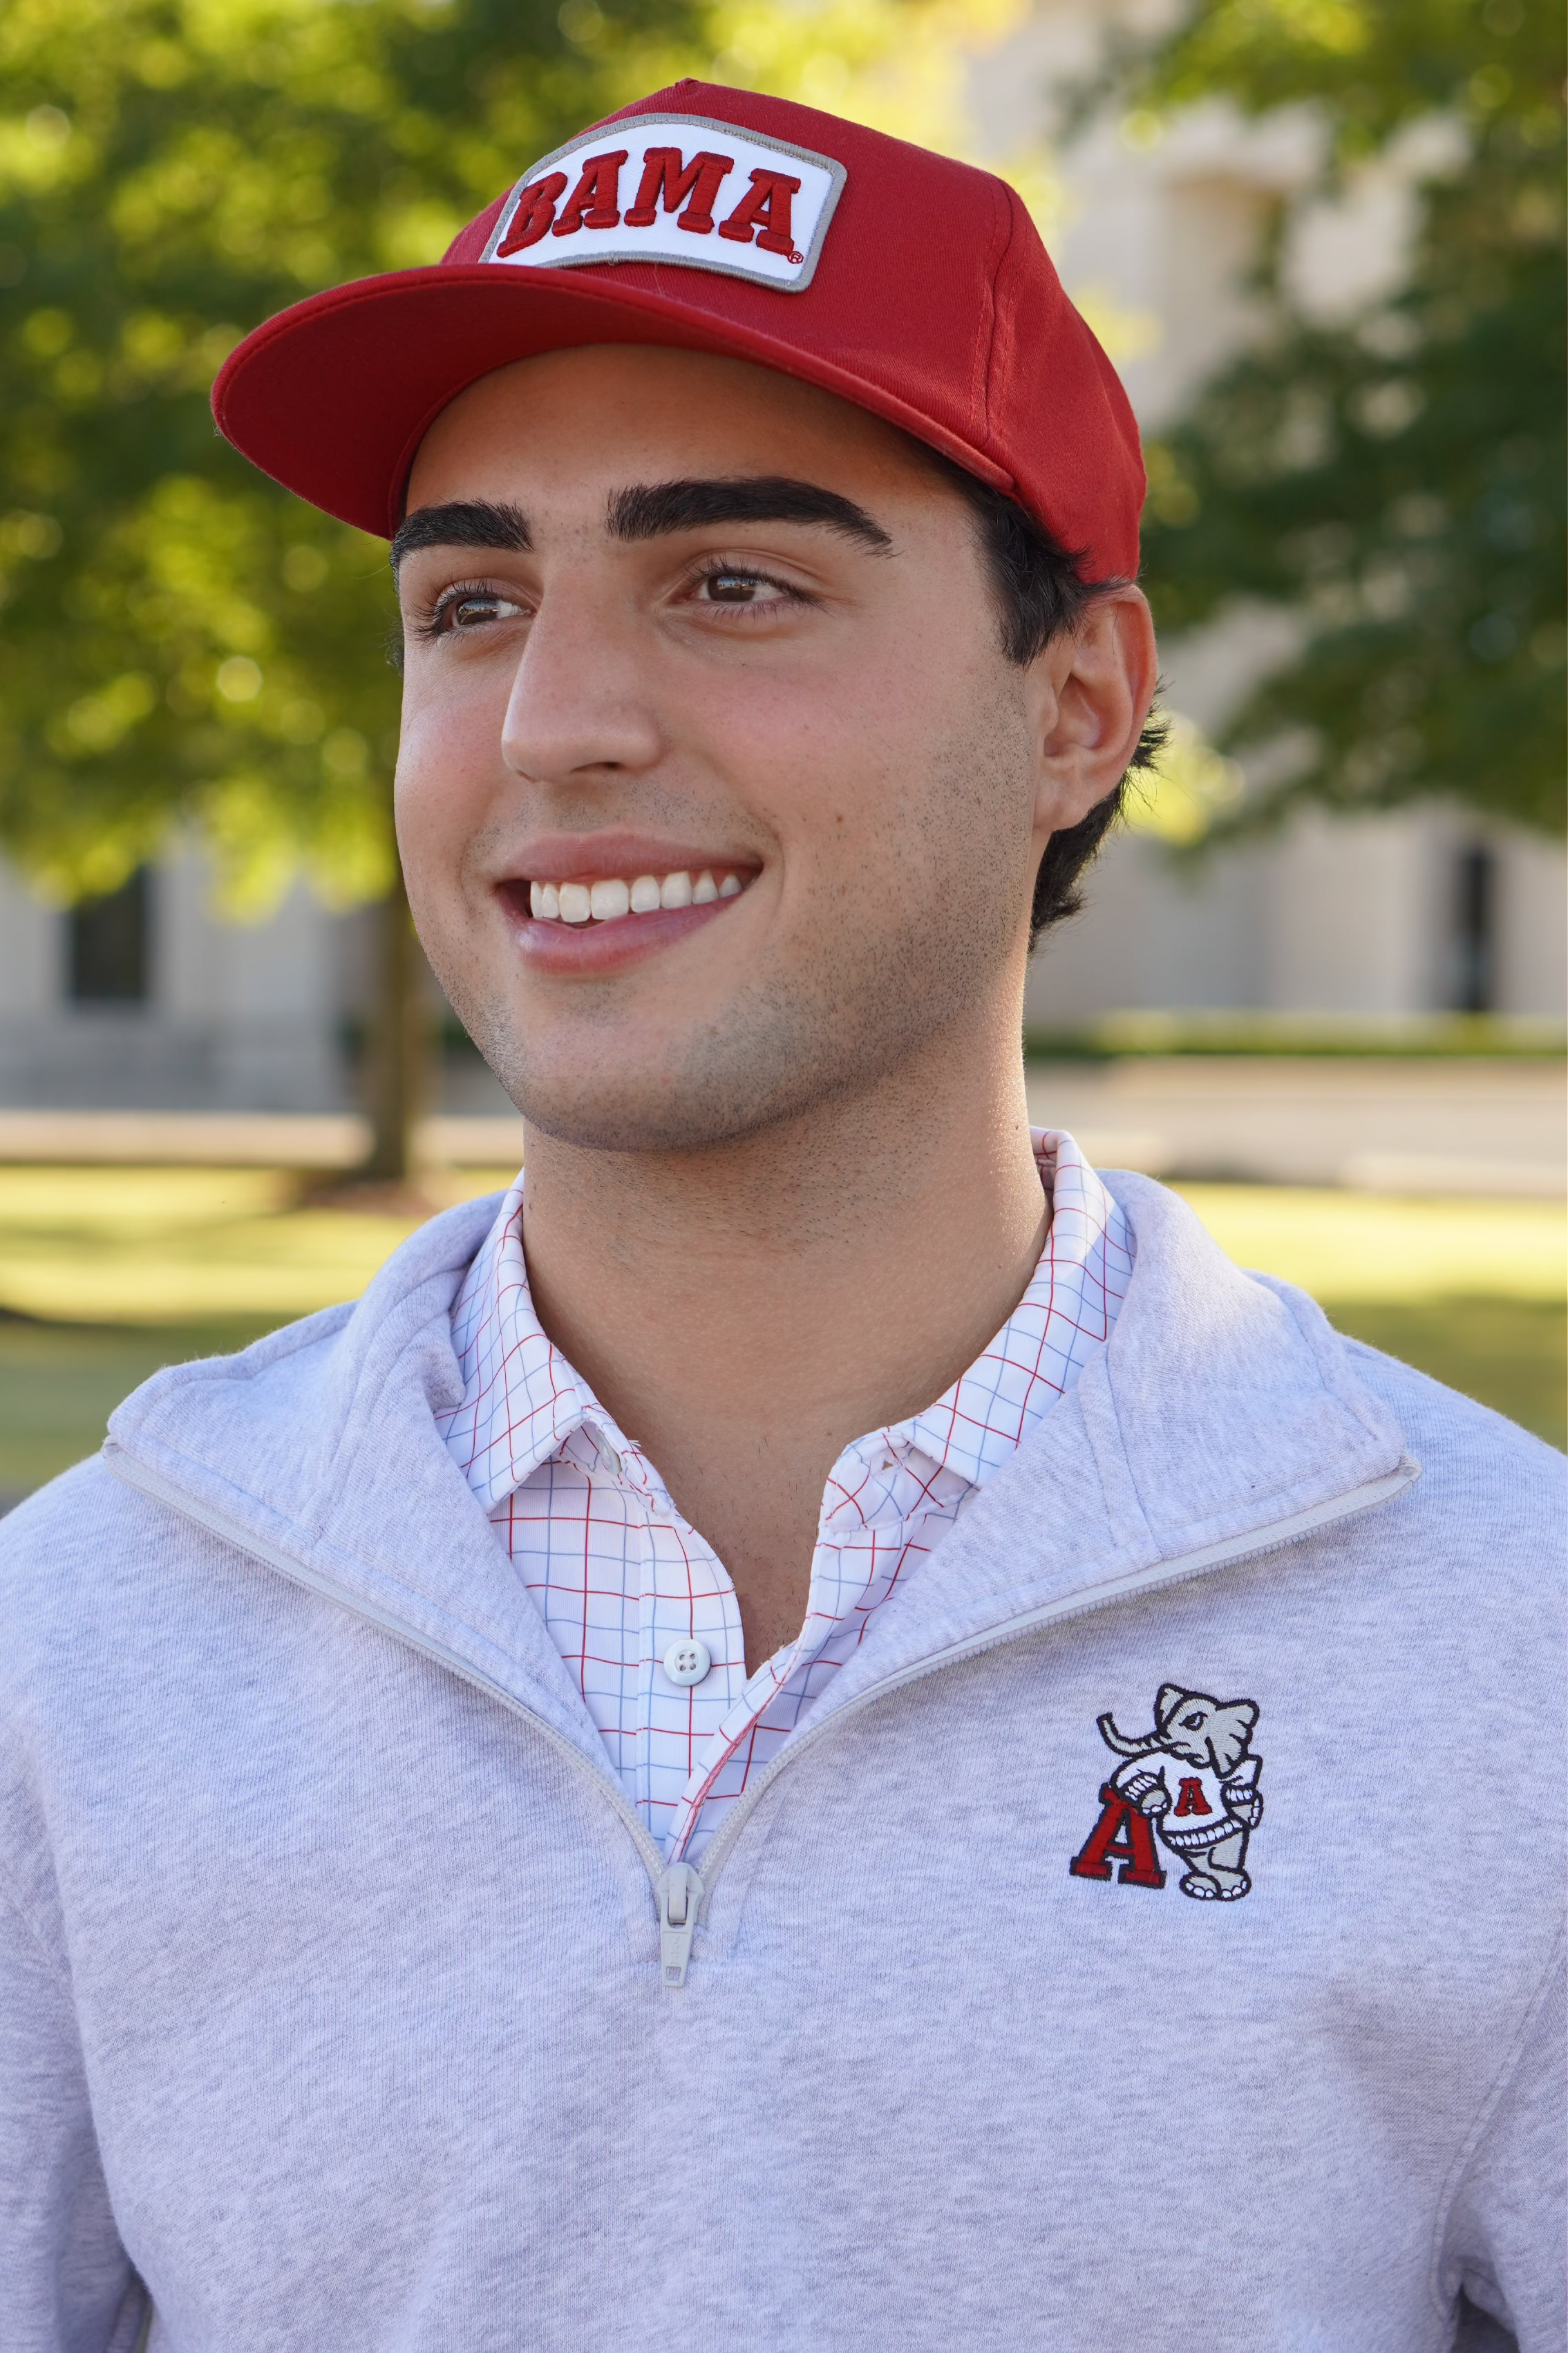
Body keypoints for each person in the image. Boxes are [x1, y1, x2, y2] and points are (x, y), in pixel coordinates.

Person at [1, 79, 1561, 2352]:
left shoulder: (1503, 1633)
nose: (553, 719)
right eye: (470, 600)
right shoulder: (81, 1637)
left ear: (1079, 710)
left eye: (731, 583)